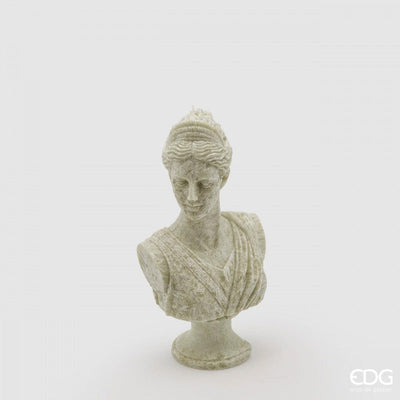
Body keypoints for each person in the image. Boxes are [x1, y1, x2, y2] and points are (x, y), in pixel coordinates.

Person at [137, 108, 267, 323]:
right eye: (181, 183)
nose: (192, 197)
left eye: (204, 184)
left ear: (223, 178)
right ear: (170, 178)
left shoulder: (249, 231)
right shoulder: (157, 252)